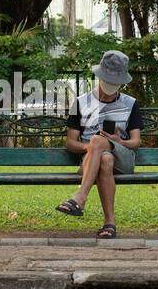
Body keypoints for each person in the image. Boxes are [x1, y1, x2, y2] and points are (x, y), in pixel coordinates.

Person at [54, 50, 143, 238]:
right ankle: (109, 224)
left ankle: (80, 197)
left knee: (100, 145)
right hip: (91, 162)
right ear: (100, 76)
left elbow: (136, 141)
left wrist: (119, 141)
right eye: (108, 80)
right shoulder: (80, 102)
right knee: (105, 158)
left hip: (124, 158)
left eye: (115, 82)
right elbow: (70, 143)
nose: (111, 85)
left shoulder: (130, 103)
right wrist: (93, 147)